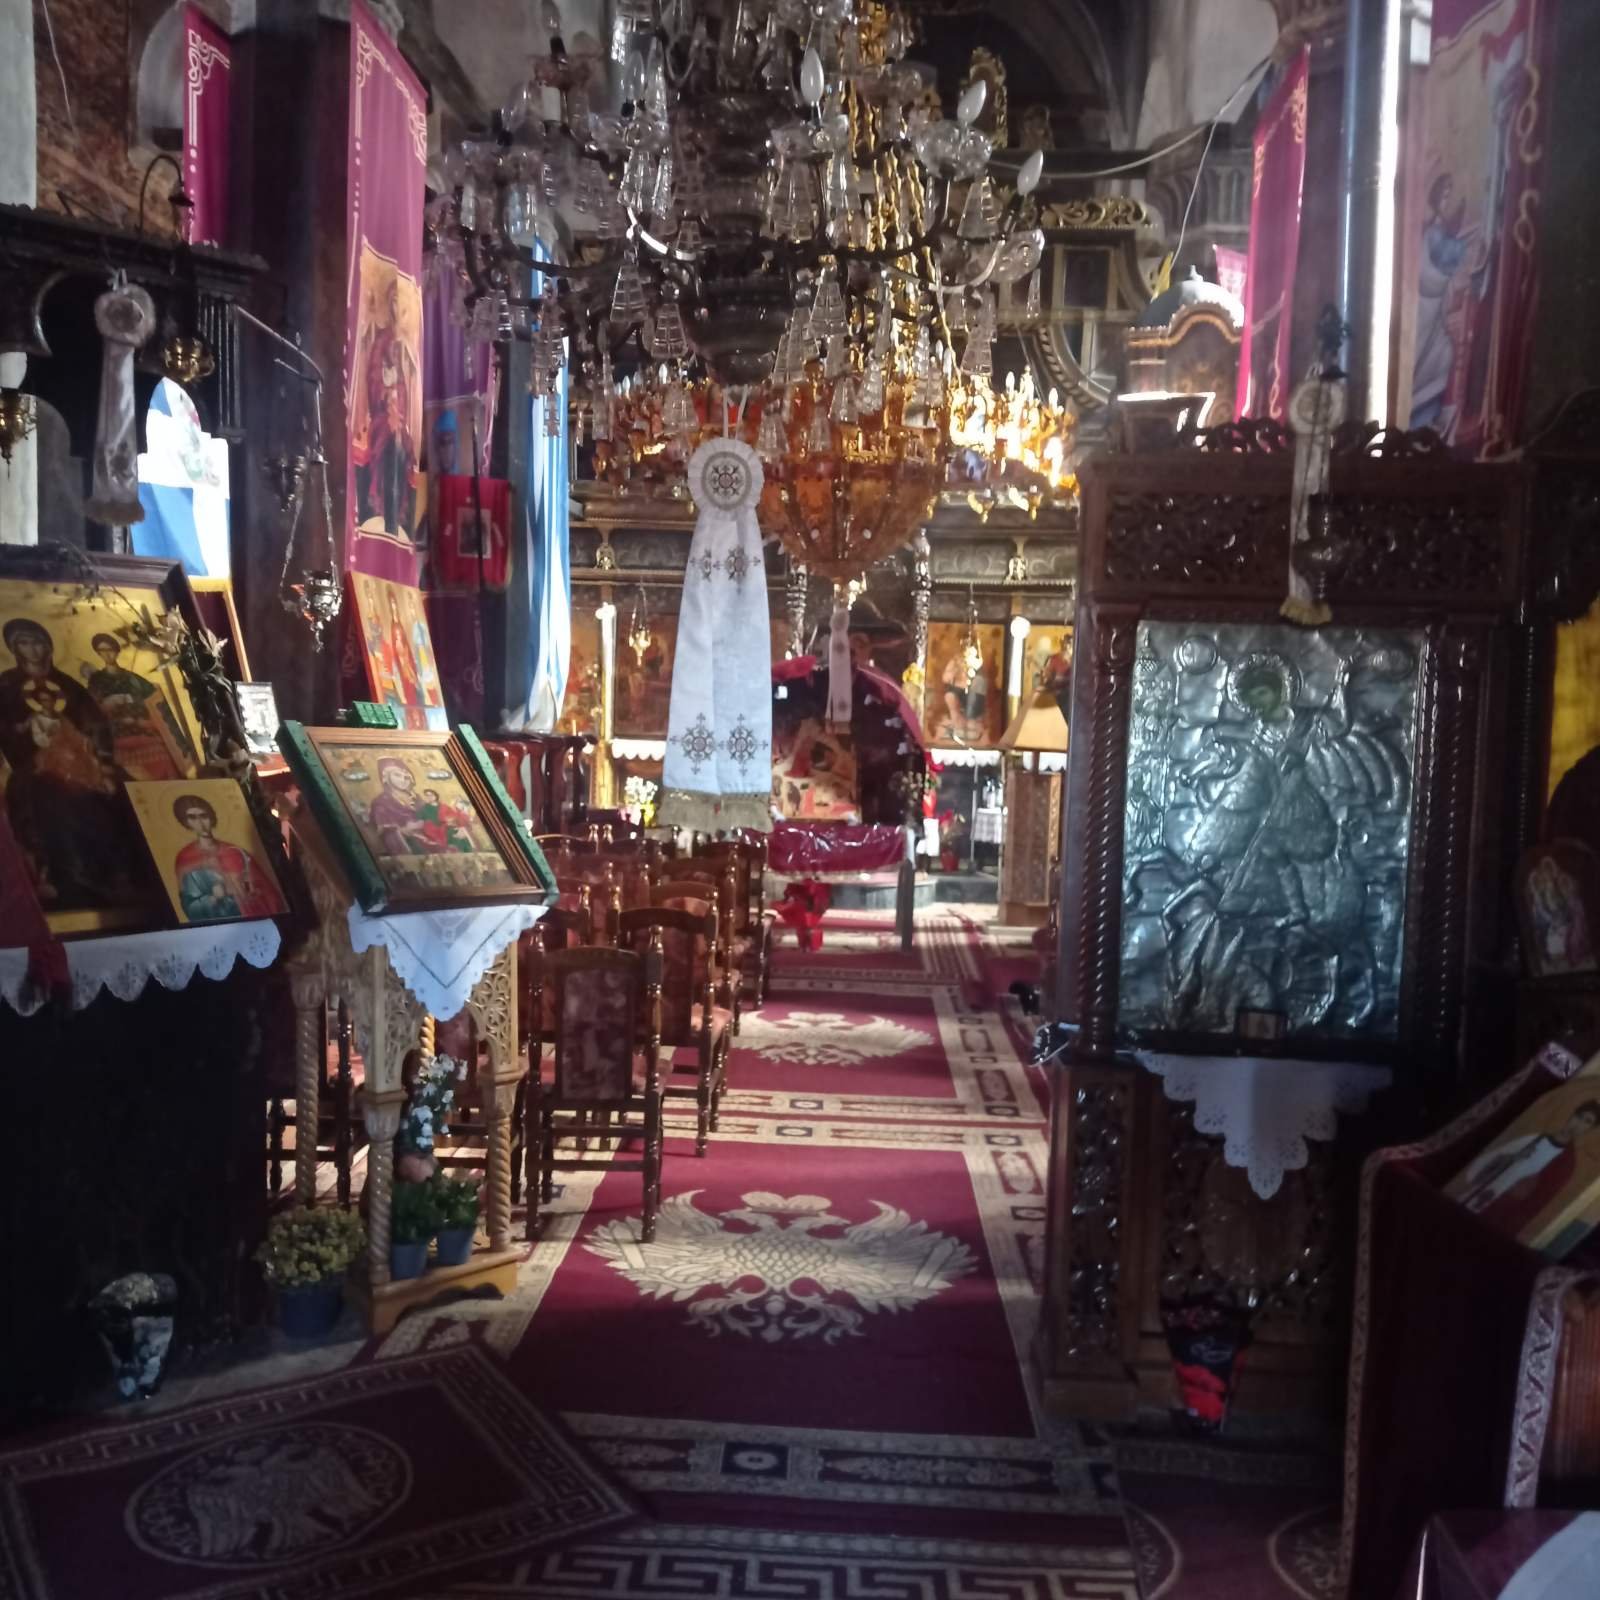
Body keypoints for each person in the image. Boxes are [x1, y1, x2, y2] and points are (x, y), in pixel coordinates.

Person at [0, 617, 133, 909]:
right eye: (24, 643)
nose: (32, 649)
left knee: (125, 787)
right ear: (13, 648)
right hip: (32, 766)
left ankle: (126, 873)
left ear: (48, 646)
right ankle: (69, 876)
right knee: (52, 792)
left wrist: (103, 762)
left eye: (37, 642)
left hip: (84, 762)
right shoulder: (5, 686)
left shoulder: (68, 686)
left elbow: (96, 726)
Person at [1456, 1099, 1600, 1241]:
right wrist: (1509, 1158)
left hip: (1499, 1215)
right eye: (1579, 1117)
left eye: (1587, 1122)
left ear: (1590, 1129)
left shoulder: (1566, 1164)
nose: (1578, 1124)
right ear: (1572, 1116)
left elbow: (1538, 1202)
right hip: (1476, 1196)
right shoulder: (1534, 1139)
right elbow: (1482, 1165)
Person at [83, 632, 187, 779]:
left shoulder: (133, 679)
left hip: (144, 729)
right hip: (116, 734)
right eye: (102, 651)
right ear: (98, 653)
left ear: (117, 650)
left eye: (110, 649)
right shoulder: (96, 681)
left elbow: (155, 703)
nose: (107, 654)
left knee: (163, 754)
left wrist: (141, 717)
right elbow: (93, 710)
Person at [171, 793, 283, 920]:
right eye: (193, 818)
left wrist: (251, 892)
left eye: (203, 816)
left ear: (211, 817)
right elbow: (189, 906)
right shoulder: (185, 857)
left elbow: (269, 893)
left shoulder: (236, 852)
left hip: (254, 919)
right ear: (186, 822)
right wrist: (214, 898)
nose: (200, 823)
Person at [367, 757, 442, 857]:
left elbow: (431, 817)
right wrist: (404, 830)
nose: (403, 779)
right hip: (406, 843)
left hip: (428, 839)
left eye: (406, 776)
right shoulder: (381, 802)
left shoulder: (417, 799)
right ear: (386, 778)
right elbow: (383, 830)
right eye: (397, 775)